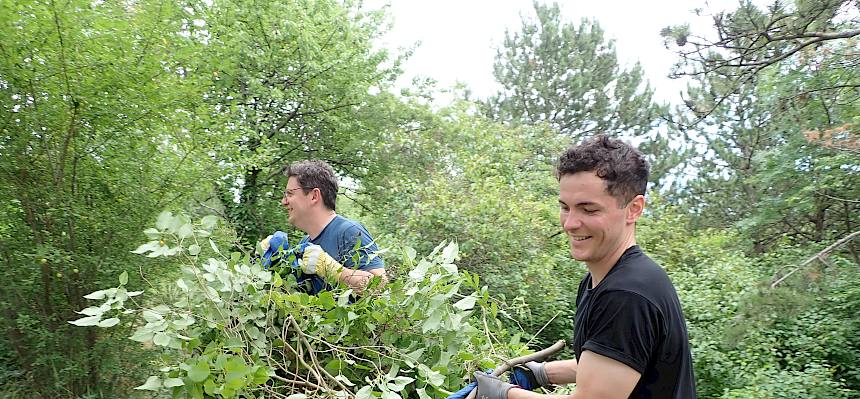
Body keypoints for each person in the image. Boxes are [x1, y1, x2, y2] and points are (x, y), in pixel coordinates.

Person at [468, 135, 696, 398]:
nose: (569, 224)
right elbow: (615, 363)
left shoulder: (626, 295)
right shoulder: (616, 278)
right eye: (565, 208)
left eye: (588, 210)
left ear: (633, 209)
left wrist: (504, 394)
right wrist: (541, 373)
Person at [261, 160, 386, 294]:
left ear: (314, 196)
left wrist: (333, 269)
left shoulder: (349, 231)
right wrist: (272, 264)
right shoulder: (304, 243)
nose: (284, 202)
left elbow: (380, 287)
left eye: (290, 194)